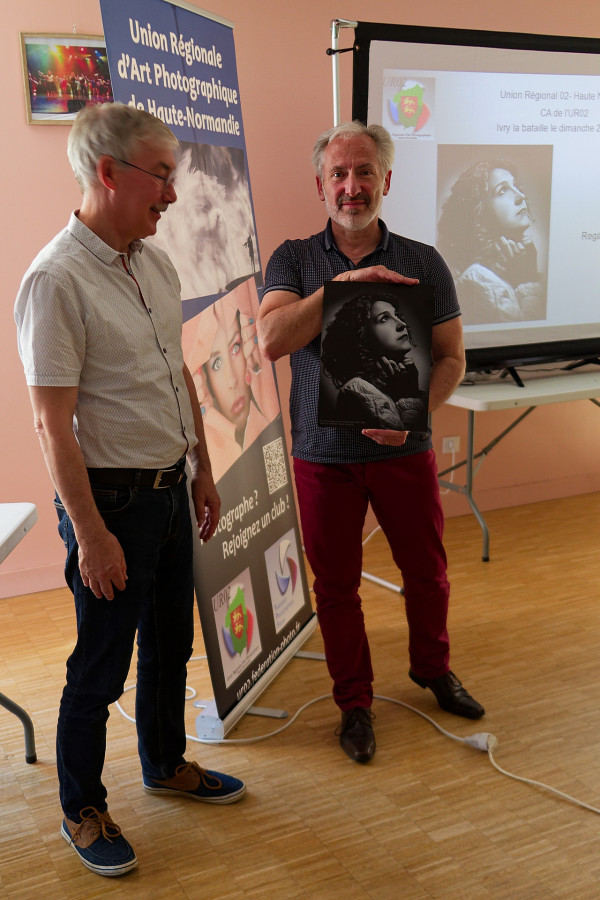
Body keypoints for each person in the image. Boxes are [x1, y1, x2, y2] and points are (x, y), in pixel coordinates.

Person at [14, 103, 246, 879]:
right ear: (107, 173)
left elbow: (174, 374)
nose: (172, 196)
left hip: (170, 485)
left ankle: (164, 764)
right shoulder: (54, 280)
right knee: (100, 665)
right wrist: (90, 533)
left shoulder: (152, 260)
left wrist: (203, 468)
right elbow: (52, 426)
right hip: (109, 503)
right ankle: (82, 807)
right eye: (162, 177)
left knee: (171, 644)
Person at [257, 120, 484, 765]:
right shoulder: (295, 260)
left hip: (402, 452)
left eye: (363, 174)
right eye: (339, 175)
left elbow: (452, 358)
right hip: (322, 459)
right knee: (335, 587)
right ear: (320, 185)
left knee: (428, 572)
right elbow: (271, 340)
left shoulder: (422, 262)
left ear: (385, 181)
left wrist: (417, 416)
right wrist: (340, 291)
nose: (351, 187)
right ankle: (353, 702)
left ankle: (432, 668)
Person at [182, 278, 280, 483]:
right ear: (203, 377)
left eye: (236, 347)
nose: (233, 381)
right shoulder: (215, 454)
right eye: (217, 364)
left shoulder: (266, 420)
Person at [437, 159, 545, 324]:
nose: (520, 196)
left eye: (516, 186)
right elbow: (521, 337)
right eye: (502, 191)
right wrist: (527, 278)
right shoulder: (477, 279)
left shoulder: (510, 266)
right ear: (478, 212)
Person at [320, 291, 426, 430]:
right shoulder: (358, 390)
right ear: (361, 336)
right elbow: (401, 442)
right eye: (384, 319)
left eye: (397, 316)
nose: (402, 324)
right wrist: (409, 394)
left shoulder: (391, 384)